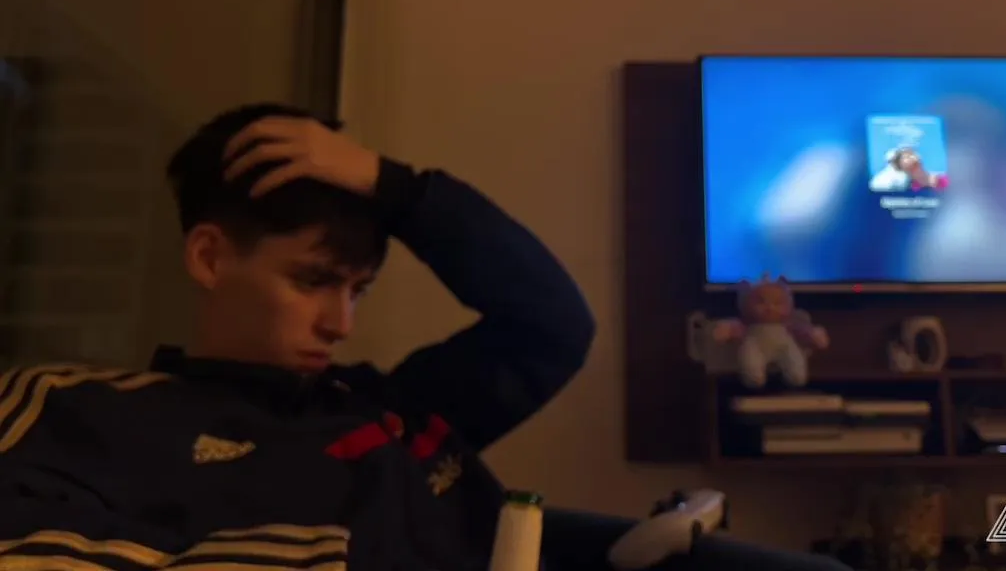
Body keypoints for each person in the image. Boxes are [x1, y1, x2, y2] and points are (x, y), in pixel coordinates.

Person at [0, 104, 596, 570]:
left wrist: (397, 188)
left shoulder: (389, 408)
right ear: (210, 258)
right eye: (313, 281)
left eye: (358, 290)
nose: (341, 324)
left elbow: (551, 328)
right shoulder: (80, 413)